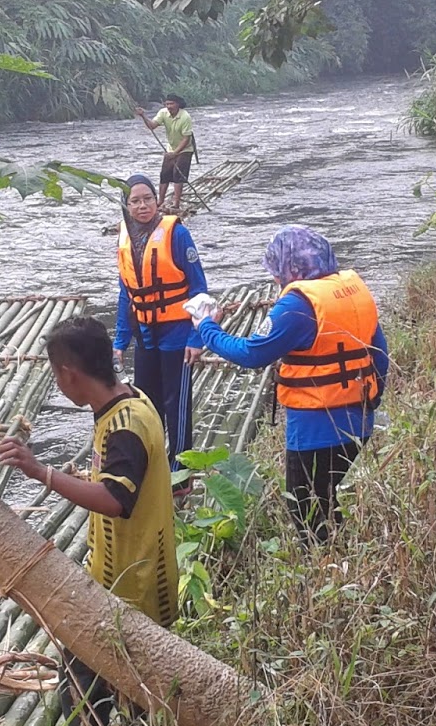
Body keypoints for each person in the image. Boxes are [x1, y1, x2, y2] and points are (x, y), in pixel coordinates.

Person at [0, 316, 178, 726]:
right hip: (131, 577)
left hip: (131, 587)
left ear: (68, 374)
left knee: (82, 697)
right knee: (129, 697)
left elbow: (115, 500)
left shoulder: (124, 427)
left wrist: (41, 472)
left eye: (56, 374)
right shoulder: (136, 399)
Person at [193, 226, 389, 543]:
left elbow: (252, 353)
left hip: (314, 428)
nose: (274, 279)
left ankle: (328, 570)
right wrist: (370, 402)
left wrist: (207, 329)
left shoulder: (297, 306)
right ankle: (343, 560)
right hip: (359, 420)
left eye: (276, 270)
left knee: (305, 509)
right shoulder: (353, 292)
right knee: (327, 498)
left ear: (292, 267)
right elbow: (380, 355)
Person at [114, 174, 208, 477]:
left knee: (176, 404)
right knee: (147, 402)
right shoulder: (125, 238)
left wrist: (197, 337)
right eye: (135, 201)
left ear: (157, 200)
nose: (143, 206)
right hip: (145, 333)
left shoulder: (177, 234)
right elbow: (125, 293)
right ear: (127, 206)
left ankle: (181, 471)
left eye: (148, 199)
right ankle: (154, 463)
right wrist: (120, 340)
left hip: (177, 332)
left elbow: (199, 289)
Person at [134, 94, 194, 211]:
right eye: (167, 104)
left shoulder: (185, 116)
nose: (169, 106)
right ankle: (160, 201)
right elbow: (152, 126)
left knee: (178, 175)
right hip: (171, 148)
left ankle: (176, 202)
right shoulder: (163, 113)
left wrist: (175, 153)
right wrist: (143, 116)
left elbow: (186, 139)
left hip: (185, 149)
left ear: (177, 104)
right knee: (164, 174)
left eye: (171, 104)